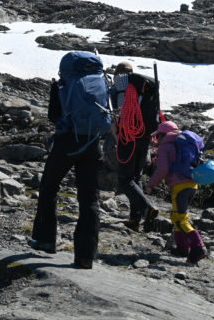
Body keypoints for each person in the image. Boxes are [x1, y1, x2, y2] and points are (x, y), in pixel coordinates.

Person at [30, 52, 110, 270]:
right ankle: (85, 257)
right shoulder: (102, 82)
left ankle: (45, 239)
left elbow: (54, 115)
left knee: (49, 187)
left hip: (67, 142)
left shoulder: (63, 84)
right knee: (89, 199)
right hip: (93, 143)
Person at [145, 121, 207, 264]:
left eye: (158, 136)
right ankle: (182, 248)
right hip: (192, 184)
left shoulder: (165, 147)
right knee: (176, 215)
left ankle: (198, 248)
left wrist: (150, 185)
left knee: (180, 217)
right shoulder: (186, 143)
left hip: (179, 186)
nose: (157, 139)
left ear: (162, 134)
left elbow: (162, 170)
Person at [111, 61, 158, 232]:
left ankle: (147, 208)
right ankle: (134, 221)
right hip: (143, 137)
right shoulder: (144, 87)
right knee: (135, 178)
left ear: (117, 73)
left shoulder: (120, 86)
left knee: (125, 179)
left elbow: (118, 114)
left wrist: (117, 134)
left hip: (128, 136)